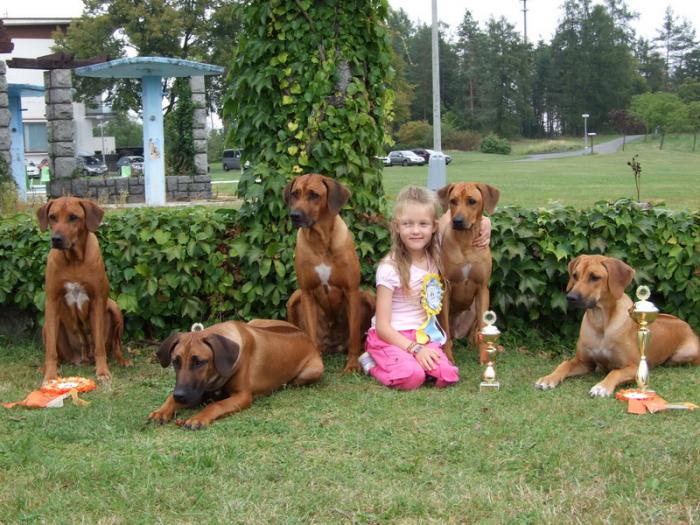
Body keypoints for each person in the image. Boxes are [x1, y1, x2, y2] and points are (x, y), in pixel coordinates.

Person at [362, 185, 492, 390]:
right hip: (391, 337)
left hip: (423, 335)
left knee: (448, 375)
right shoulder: (389, 268)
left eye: (423, 224)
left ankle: (413, 364)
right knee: (411, 377)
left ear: (434, 227)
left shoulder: (435, 257)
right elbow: (382, 327)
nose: (416, 231)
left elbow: (456, 215)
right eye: (407, 224)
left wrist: (486, 221)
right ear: (396, 227)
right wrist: (415, 349)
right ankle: (371, 364)